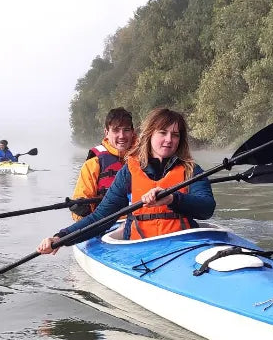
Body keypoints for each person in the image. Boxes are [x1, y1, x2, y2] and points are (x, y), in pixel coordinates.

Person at [37, 108, 215, 253]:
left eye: (175, 135)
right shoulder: (128, 173)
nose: (169, 140)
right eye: (163, 133)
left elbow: (206, 208)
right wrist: (61, 238)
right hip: (139, 249)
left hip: (183, 246)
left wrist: (172, 199)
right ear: (150, 135)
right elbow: (101, 217)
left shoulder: (191, 170)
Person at [69, 107, 136, 221]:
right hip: (108, 224)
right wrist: (82, 211)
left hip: (139, 222)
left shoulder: (146, 157)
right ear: (106, 132)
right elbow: (78, 214)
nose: (122, 136)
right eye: (116, 130)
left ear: (133, 132)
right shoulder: (93, 164)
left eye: (126, 130)